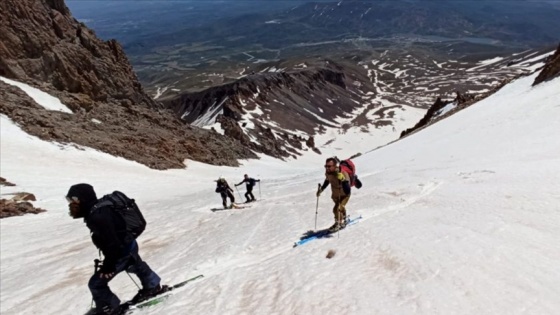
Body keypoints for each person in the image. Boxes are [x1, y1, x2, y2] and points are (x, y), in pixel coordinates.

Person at [66, 183, 166, 315]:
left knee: (96, 284)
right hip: (129, 244)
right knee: (135, 265)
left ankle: (109, 308)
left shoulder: (97, 217)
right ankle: (153, 286)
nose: (70, 204)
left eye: (72, 200)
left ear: (82, 199)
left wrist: (108, 266)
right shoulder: (99, 209)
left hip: (121, 250)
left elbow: (112, 243)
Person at [316, 157, 351, 232]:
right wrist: (321, 189)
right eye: (326, 166)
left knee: (337, 209)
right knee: (340, 208)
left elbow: (348, 190)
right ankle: (344, 219)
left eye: (329, 166)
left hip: (344, 195)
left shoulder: (343, 173)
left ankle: (338, 223)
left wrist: (343, 180)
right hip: (335, 195)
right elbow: (327, 180)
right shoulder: (328, 173)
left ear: (335, 166)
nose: (327, 168)